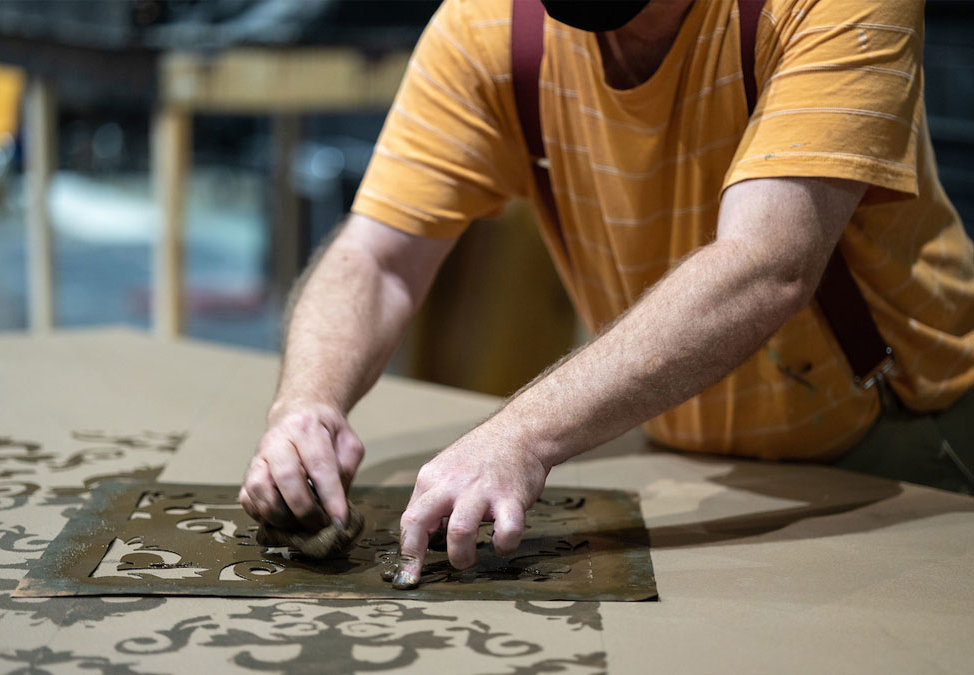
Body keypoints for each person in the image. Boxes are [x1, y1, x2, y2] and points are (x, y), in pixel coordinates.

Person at [239, 0, 974, 589]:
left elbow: (767, 261)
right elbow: (378, 256)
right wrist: (307, 403)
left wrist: (520, 432)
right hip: (685, 441)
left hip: (902, 434)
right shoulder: (490, 26)